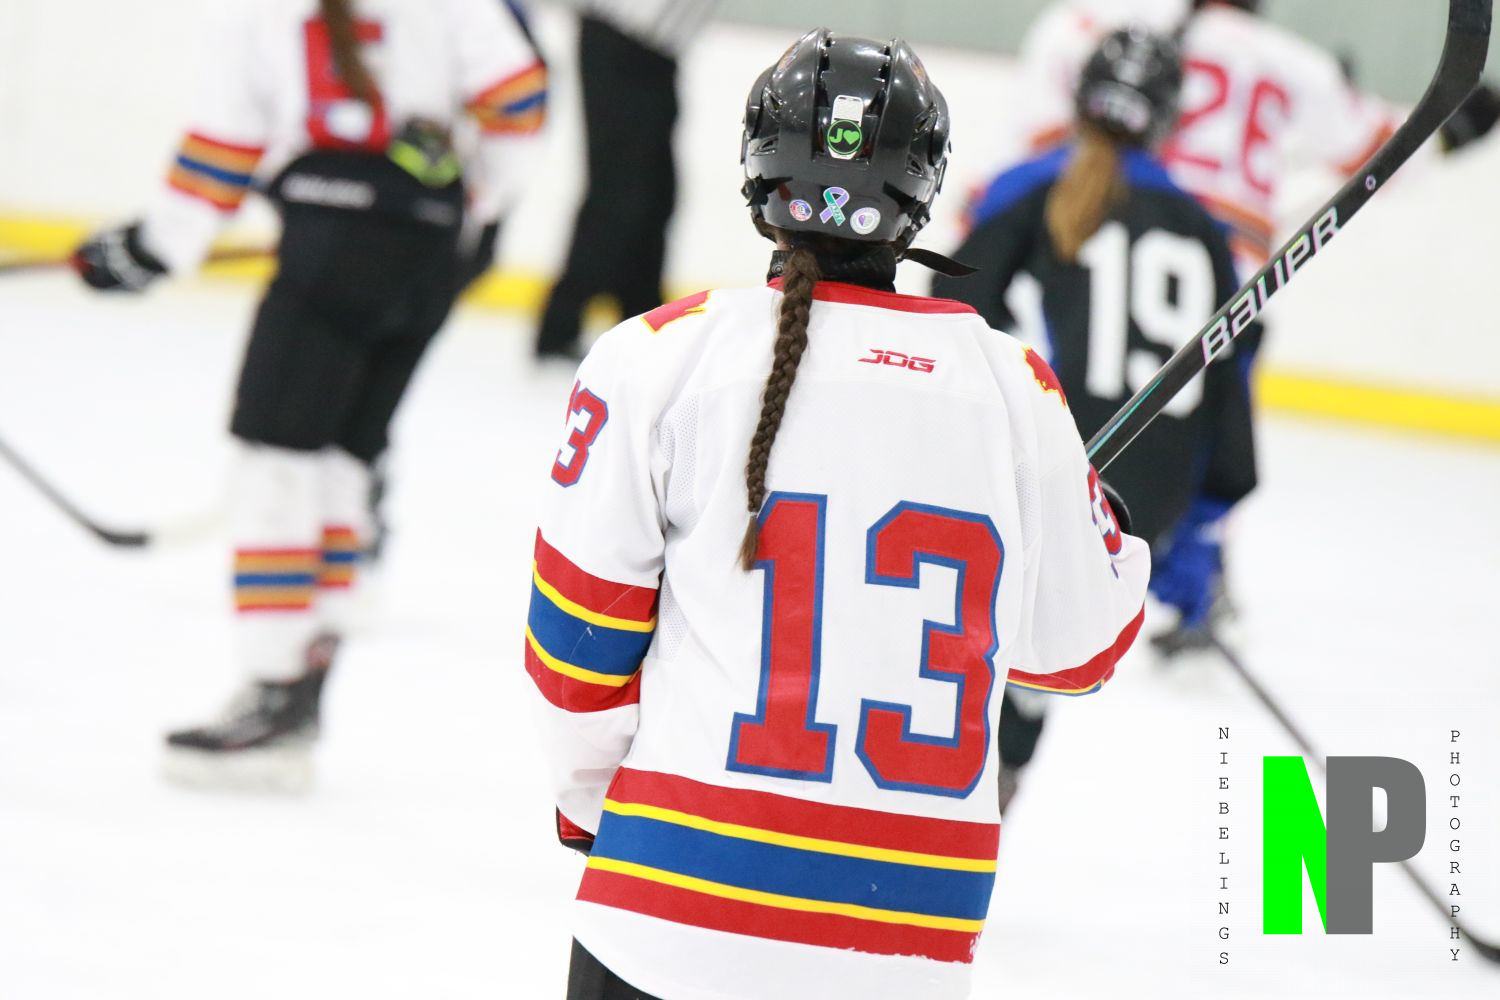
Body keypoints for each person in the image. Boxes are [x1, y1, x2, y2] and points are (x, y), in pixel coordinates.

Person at [524, 28, 1150, 1000]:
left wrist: (587, 810)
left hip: (674, 905)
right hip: (908, 936)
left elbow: (576, 648)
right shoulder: (1013, 388)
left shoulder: (656, 357)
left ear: (758, 168)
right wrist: (1097, 518)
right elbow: (1079, 651)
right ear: (922, 188)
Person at [71, 0, 546, 789]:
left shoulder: (255, 14)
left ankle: (273, 687)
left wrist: (154, 247)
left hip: (331, 251)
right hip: (430, 252)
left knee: (277, 466)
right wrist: (469, 203)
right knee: (342, 462)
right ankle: (306, 680)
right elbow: (518, 98)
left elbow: (222, 147)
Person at [935, 28, 1255, 809]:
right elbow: (1230, 378)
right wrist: (1197, 533)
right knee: (1039, 640)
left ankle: (953, 788)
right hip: (1147, 498)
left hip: (1057, 472)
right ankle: (1000, 770)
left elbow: (950, 312)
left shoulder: (1031, 185)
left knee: (974, 622)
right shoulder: (1205, 227)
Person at [532, 0, 722, 361]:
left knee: (655, 197)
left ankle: (642, 324)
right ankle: (560, 325)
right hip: (621, 43)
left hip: (653, 54)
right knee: (619, 195)